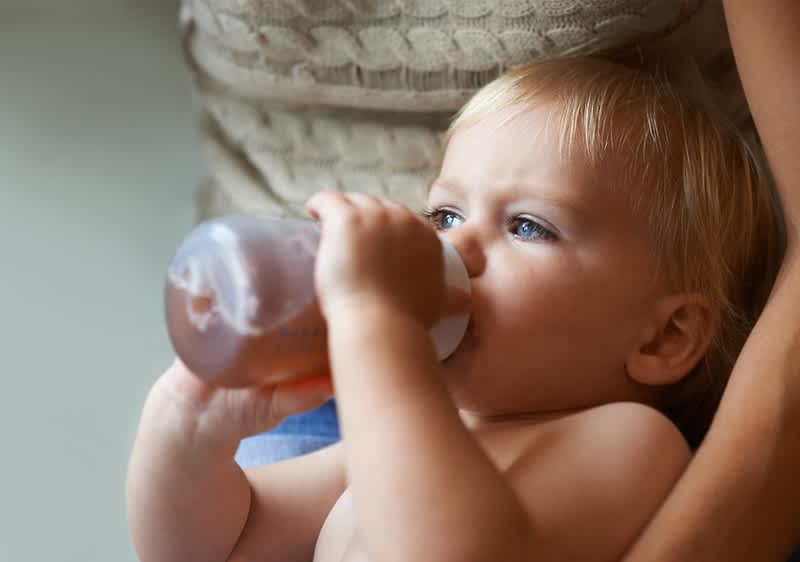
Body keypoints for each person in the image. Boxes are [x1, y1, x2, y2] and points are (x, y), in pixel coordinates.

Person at [127, 51, 781, 562]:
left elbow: (455, 553)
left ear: (663, 339)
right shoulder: (432, 432)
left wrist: (372, 319)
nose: (454, 247)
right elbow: (219, 548)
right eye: (444, 214)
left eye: (527, 226)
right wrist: (189, 423)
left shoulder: (635, 444)